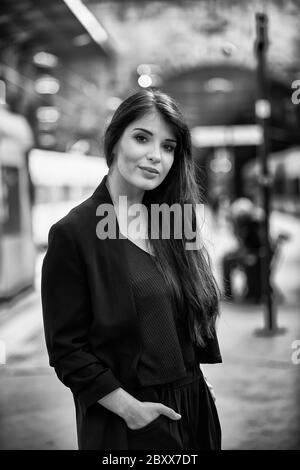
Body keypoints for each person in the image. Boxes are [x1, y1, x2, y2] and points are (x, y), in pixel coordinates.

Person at [41, 89, 222, 451]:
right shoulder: (74, 233)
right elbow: (66, 349)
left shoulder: (174, 220)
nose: (156, 156)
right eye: (142, 138)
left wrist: (193, 382)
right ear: (114, 141)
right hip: (128, 420)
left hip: (193, 406)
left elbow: (184, 319)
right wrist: (131, 410)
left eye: (169, 146)